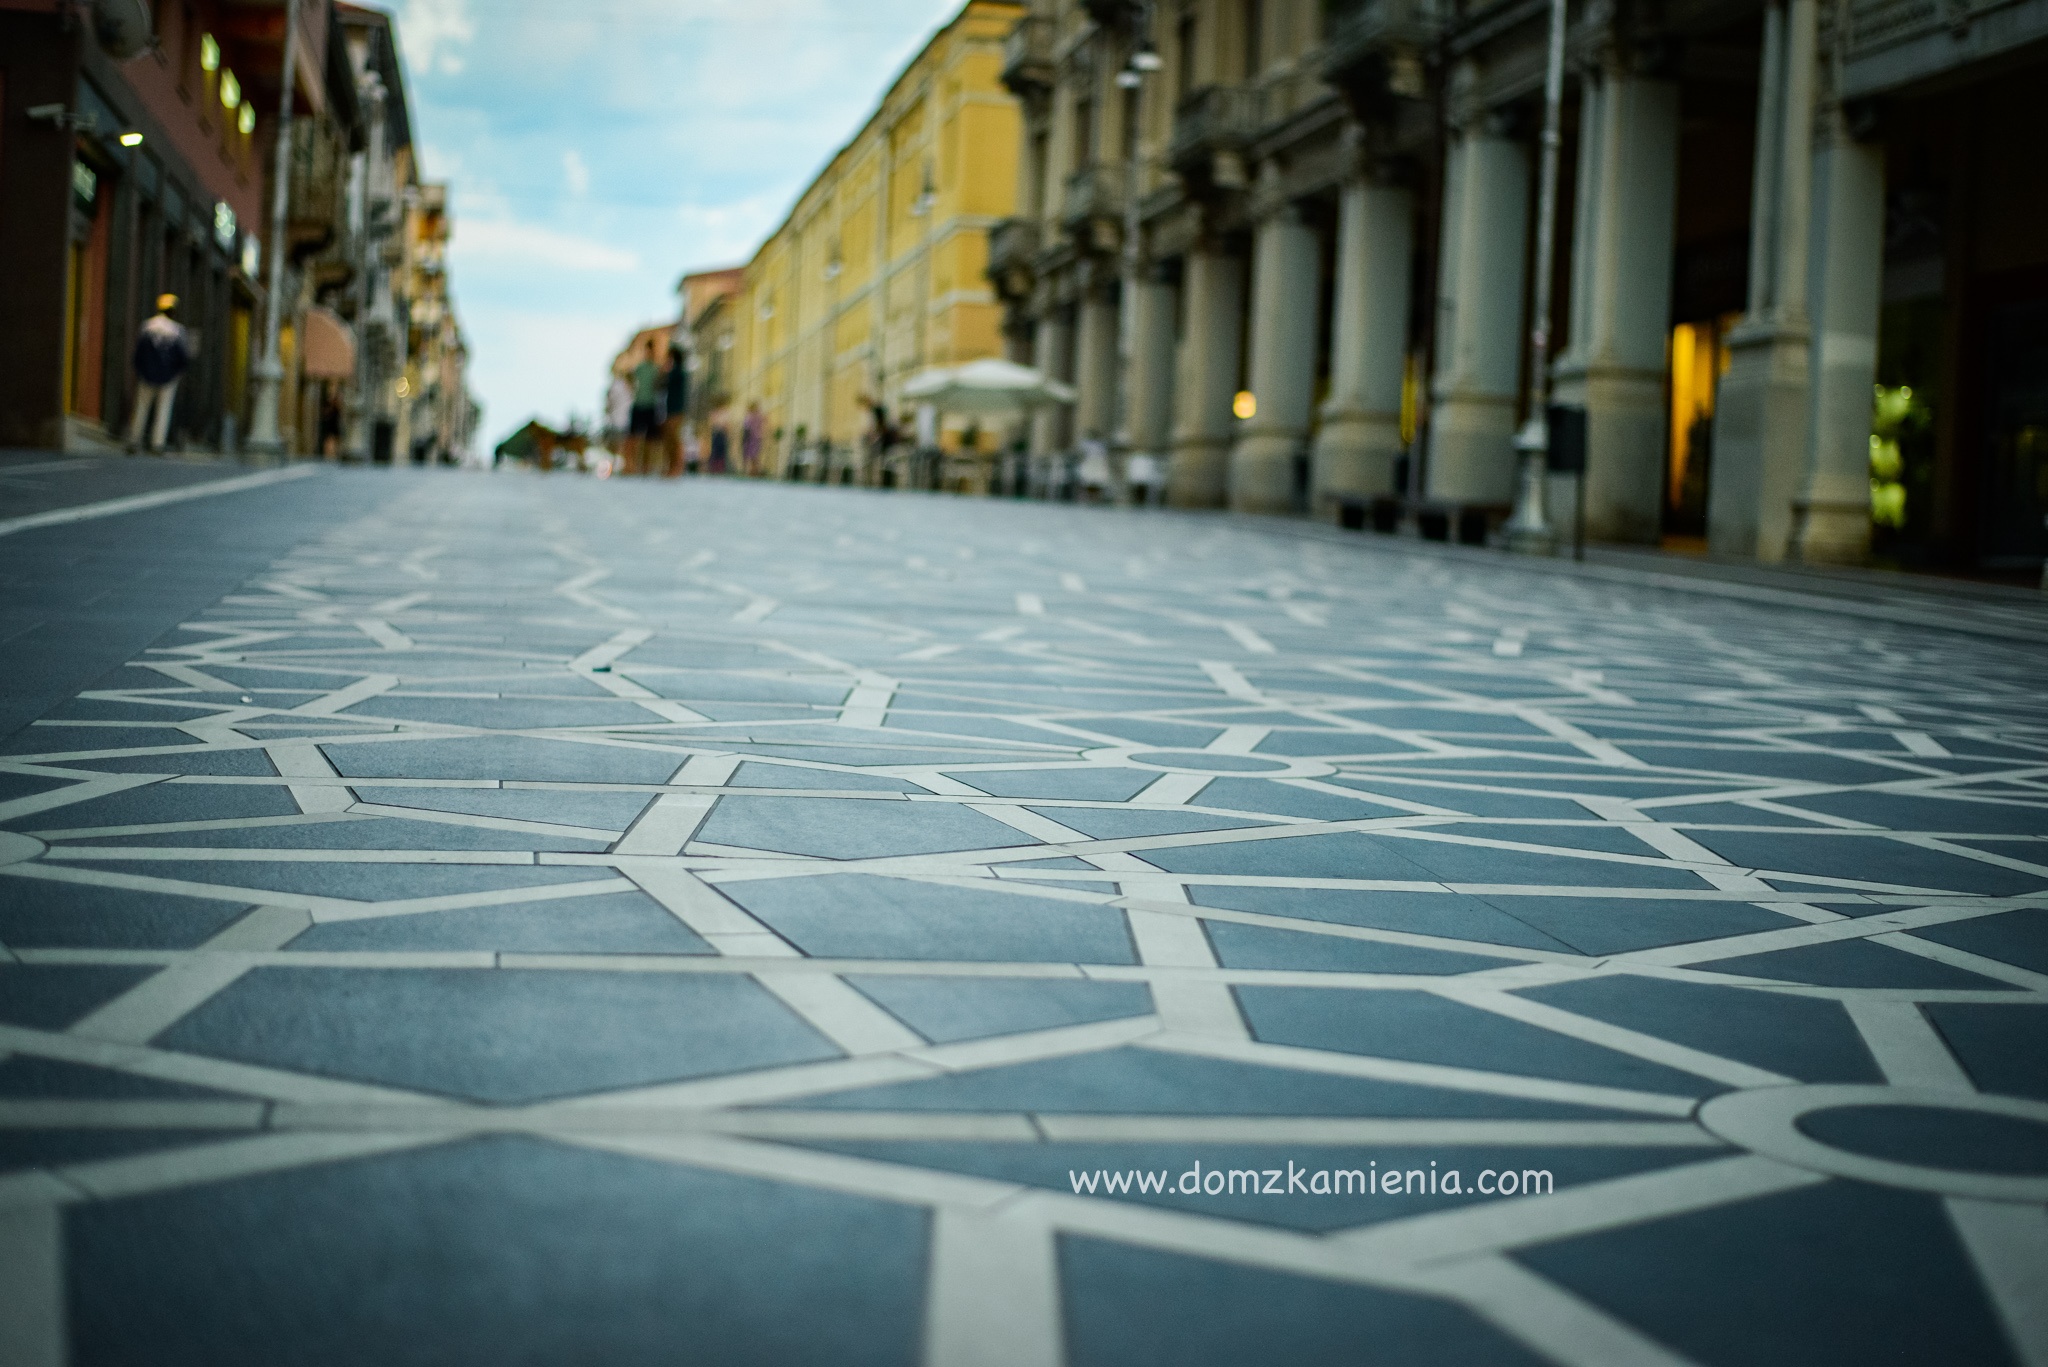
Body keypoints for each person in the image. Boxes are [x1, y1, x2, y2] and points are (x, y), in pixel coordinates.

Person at [126, 294, 191, 454]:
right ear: (173, 311)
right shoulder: (177, 331)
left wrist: (140, 370)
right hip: (168, 376)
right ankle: (157, 443)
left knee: (141, 408)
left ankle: (134, 440)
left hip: (147, 374)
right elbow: (182, 357)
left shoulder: (147, 326)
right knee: (163, 411)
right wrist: (176, 373)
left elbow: (138, 353)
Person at [627, 339, 663, 475]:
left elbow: (659, 385)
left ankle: (646, 467)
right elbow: (629, 376)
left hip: (651, 405)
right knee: (633, 437)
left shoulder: (656, 368)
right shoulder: (639, 368)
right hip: (638, 404)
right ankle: (632, 466)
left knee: (649, 438)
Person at [661, 343, 688, 477]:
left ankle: (676, 467)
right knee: (671, 439)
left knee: (673, 439)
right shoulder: (678, 371)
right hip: (673, 408)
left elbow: (662, 383)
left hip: (675, 409)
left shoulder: (676, 372)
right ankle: (673, 466)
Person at [1076, 430, 1112, 503]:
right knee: (1089, 480)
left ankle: (1095, 497)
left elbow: (1104, 455)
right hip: (1090, 463)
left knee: (1096, 481)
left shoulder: (1100, 444)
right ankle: (1089, 496)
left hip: (1096, 464)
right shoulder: (1086, 443)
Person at [741, 402, 765, 477]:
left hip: (752, 437)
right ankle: (752, 470)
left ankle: (753, 470)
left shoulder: (750, 417)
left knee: (752, 455)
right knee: (753, 455)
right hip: (754, 437)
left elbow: (746, 427)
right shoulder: (758, 416)